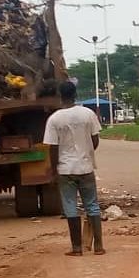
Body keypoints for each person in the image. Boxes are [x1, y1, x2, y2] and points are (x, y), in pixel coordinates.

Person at [43, 81, 105, 256]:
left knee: (70, 207)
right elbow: (95, 141)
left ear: (60, 96)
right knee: (92, 205)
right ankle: (98, 246)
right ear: (75, 94)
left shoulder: (54, 119)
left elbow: (52, 147)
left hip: (65, 170)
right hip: (85, 167)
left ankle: (77, 248)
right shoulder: (88, 114)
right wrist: (85, 153)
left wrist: (54, 171)